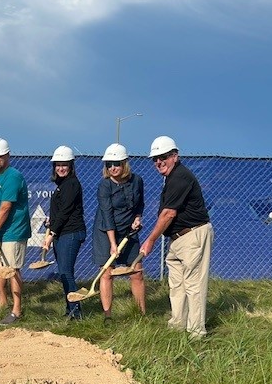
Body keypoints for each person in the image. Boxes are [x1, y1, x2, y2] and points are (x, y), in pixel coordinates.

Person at [140, 136, 214, 338]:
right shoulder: (171, 178)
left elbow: (168, 214)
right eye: (154, 159)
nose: (158, 162)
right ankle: (178, 324)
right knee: (177, 283)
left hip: (193, 235)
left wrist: (151, 240)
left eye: (163, 157)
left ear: (175, 156)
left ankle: (197, 331)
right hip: (178, 239)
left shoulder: (180, 177)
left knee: (193, 284)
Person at [92, 143, 145, 320]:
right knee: (107, 273)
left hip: (129, 232)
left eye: (116, 163)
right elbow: (107, 214)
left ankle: (141, 314)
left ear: (124, 163)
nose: (113, 168)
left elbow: (140, 203)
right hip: (106, 233)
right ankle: (108, 315)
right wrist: (113, 244)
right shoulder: (104, 186)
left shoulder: (136, 180)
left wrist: (138, 217)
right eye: (109, 164)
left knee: (136, 272)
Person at [0, 138, 31, 325]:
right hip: (0, 229)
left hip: (13, 230)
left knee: (12, 270)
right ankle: (2, 302)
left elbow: (5, 207)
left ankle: (16, 310)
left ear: (7, 155)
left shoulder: (13, 176)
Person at [42, 145, 86, 320]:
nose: (60, 168)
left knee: (66, 272)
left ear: (71, 166)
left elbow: (66, 211)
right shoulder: (61, 185)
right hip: (62, 233)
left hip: (71, 233)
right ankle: (70, 309)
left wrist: (51, 233)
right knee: (64, 273)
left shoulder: (72, 184)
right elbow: (60, 212)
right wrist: (51, 222)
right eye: (58, 165)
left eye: (64, 165)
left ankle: (76, 312)